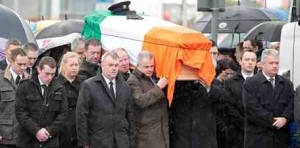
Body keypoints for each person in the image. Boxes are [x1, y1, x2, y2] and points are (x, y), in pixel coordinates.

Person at [76, 51, 135, 148]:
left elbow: (130, 115)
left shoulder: (125, 86)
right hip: (98, 141)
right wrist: (84, 143)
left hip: (121, 141)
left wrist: (131, 141)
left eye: (116, 65)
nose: (114, 68)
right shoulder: (89, 85)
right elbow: (81, 116)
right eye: (110, 65)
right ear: (102, 65)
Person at [243, 48, 294, 148]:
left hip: (280, 138)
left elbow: (291, 103)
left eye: (277, 63)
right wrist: (273, 121)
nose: (275, 66)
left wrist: (285, 118)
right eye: (271, 63)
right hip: (259, 137)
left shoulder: (286, 83)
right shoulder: (251, 83)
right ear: (262, 64)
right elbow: (252, 108)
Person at [15, 56, 68, 148]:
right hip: (28, 140)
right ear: (39, 69)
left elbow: (63, 114)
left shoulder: (60, 87)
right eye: (47, 73)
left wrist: (49, 131)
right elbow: (20, 112)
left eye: (52, 74)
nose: (50, 77)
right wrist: (36, 131)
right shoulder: (25, 86)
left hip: (50, 140)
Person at [127, 51, 169, 148]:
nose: (150, 69)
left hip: (159, 131)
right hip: (146, 134)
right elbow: (140, 101)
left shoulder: (152, 78)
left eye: (151, 66)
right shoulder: (133, 81)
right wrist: (158, 87)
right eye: (146, 67)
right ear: (138, 66)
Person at [224, 49, 257, 148]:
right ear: (240, 61)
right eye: (247, 60)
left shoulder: (261, 81)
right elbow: (229, 106)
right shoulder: (230, 82)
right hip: (237, 132)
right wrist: (244, 124)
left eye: (253, 60)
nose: (250, 62)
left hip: (259, 131)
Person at [0, 48, 28, 148]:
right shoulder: (1, 79)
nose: (23, 67)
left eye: (25, 64)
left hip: (24, 136)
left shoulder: (30, 81)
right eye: (20, 64)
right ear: (11, 61)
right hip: (4, 137)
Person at [57, 52, 85, 148]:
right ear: (64, 66)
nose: (74, 68)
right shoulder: (56, 83)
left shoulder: (84, 82)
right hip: (62, 129)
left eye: (76, 65)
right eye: (71, 65)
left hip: (80, 125)